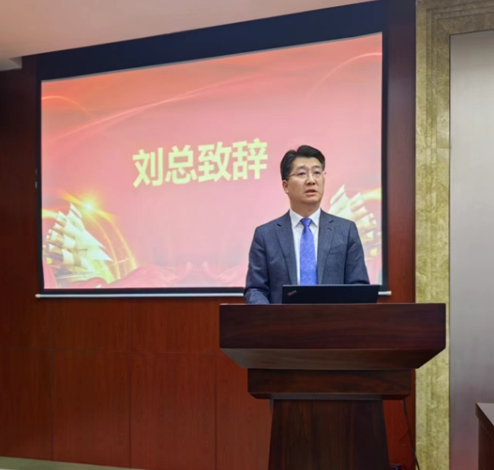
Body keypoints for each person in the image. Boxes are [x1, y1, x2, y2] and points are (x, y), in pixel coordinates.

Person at [244, 144, 369, 304]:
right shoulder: (265, 235)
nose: (311, 180)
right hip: (282, 320)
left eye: (317, 173)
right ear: (285, 186)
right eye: (302, 173)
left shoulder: (346, 230)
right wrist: (271, 317)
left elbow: (358, 286)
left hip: (333, 319)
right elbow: (256, 289)